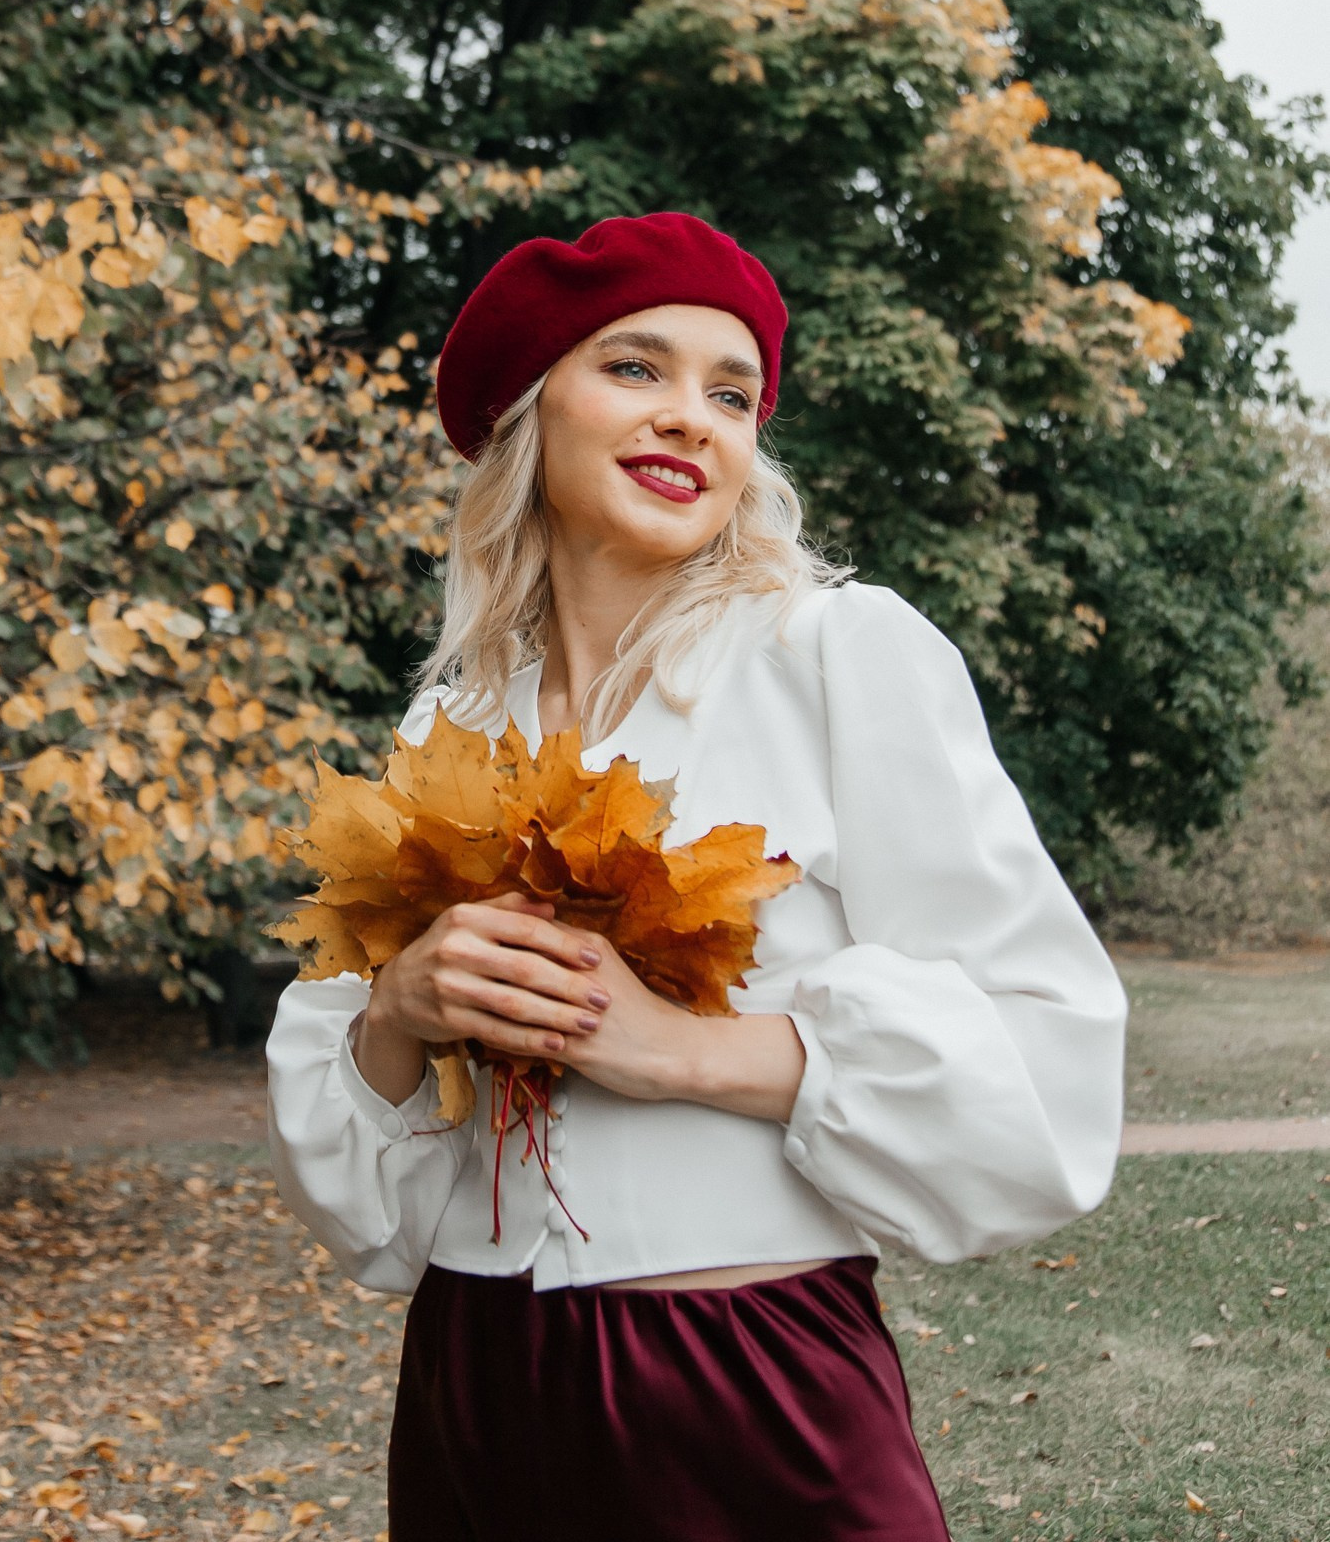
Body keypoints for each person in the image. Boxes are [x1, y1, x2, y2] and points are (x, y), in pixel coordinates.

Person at [266, 212, 1126, 1542]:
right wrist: (399, 1016)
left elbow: (1046, 1062)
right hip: (474, 1387)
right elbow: (370, 1205)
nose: (693, 419)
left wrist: (675, 1049)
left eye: (731, 394)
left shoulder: (837, 658)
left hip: (747, 1379)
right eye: (635, 369)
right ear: (523, 414)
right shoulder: (451, 732)